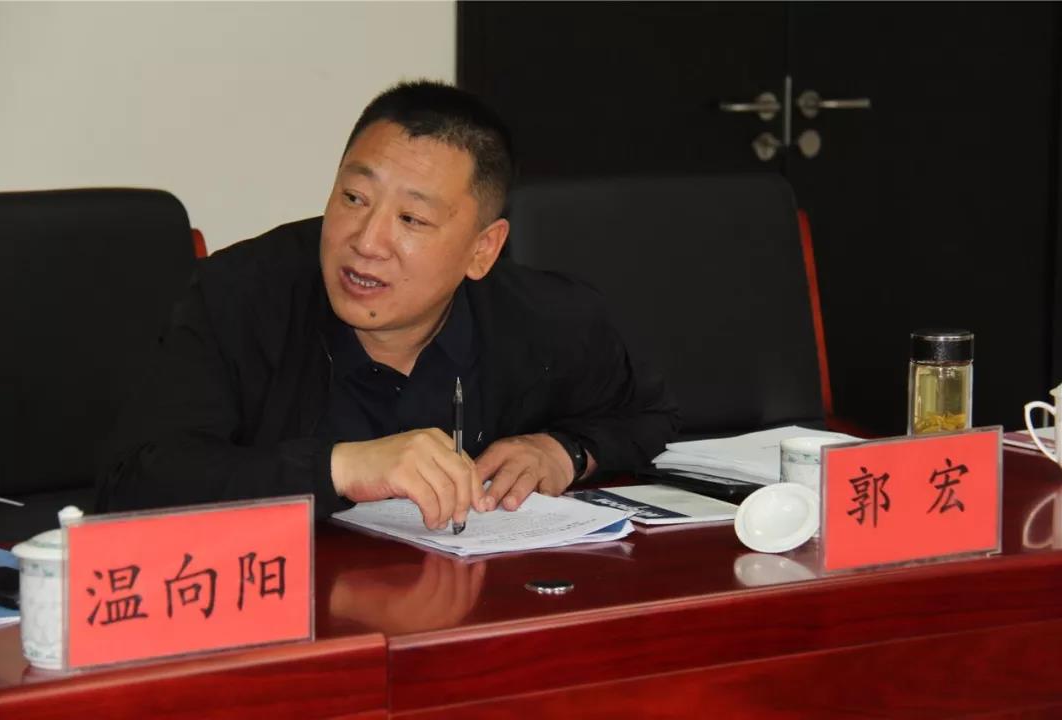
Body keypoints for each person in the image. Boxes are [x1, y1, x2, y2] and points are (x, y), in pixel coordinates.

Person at [96, 81, 678, 530]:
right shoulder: (241, 295)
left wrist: (564, 452)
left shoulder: (545, 317)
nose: (367, 241)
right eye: (354, 198)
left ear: (482, 249)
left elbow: (647, 416)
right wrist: (343, 468)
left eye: (412, 219)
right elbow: (136, 480)